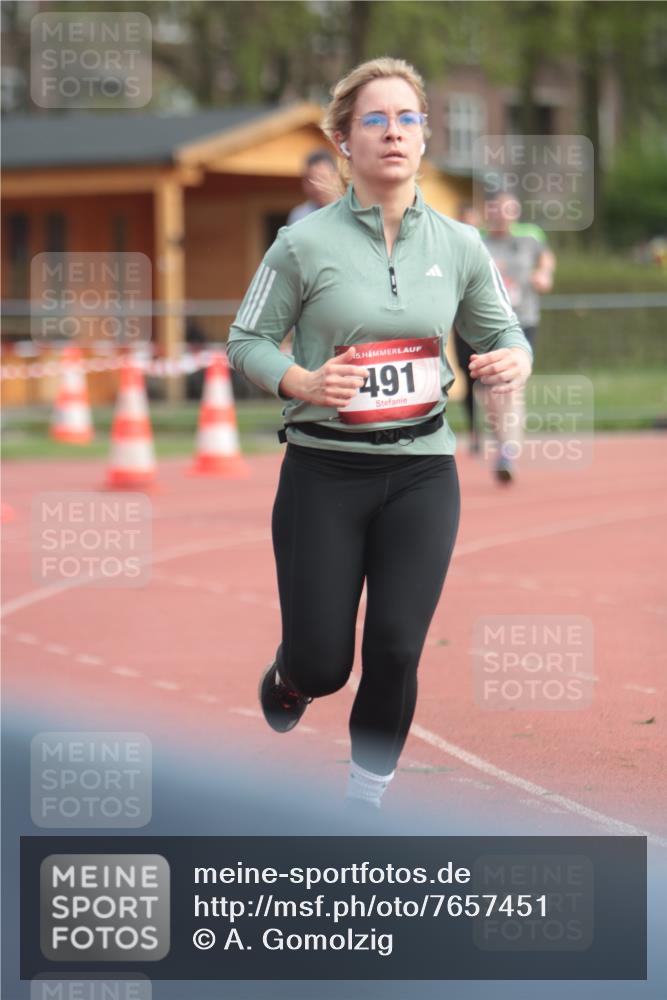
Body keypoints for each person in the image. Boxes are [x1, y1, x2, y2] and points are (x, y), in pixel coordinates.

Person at [227, 58, 533, 810]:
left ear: (425, 138)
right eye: (375, 118)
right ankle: (292, 676)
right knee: (325, 662)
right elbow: (245, 341)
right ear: (342, 138)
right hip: (323, 474)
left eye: (407, 119)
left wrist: (511, 363)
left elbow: (507, 333)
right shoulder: (301, 246)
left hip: (422, 472)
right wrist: (299, 381)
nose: (393, 132)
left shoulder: (462, 246)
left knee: (396, 647)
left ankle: (365, 801)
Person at [479, 192, 555, 482]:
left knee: (512, 385)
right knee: (488, 395)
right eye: (496, 208)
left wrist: (544, 273)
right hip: (487, 326)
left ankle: (508, 451)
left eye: (508, 208)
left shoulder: (530, 237)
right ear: (488, 211)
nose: (502, 214)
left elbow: (546, 257)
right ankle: (502, 443)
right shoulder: (477, 240)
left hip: (523, 322)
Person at [287, 149, 340, 225]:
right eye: (310, 180)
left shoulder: (350, 212)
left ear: (336, 178)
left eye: (322, 178)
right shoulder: (299, 217)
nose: (316, 186)